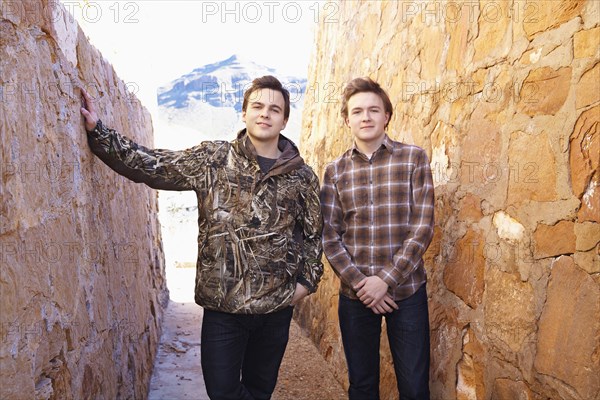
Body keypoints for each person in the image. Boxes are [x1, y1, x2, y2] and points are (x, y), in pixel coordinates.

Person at [80, 75, 324, 400]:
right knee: (223, 391)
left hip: (275, 310)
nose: (265, 113)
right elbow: (153, 165)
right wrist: (100, 133)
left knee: (259, 390)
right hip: (223, 309)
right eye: (258, 106)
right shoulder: (213, 160)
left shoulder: (302, 176)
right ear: (244, 113)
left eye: (274, 109)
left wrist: (305, 284)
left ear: (284, 119)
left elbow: (313, 234)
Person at [320, 77, 434, 400]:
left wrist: (385, 280)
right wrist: (362, 284)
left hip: (407, 291)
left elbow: (422, 226)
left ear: (387, 115)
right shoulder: (335, 172)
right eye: (357, 111)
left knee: (413, 387)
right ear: (347, 120)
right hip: (355, 296)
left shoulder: (413, 159)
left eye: (373, 110)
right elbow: (330, 235)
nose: (365, 117)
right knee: (363, 386)